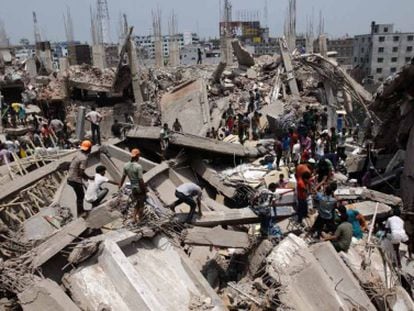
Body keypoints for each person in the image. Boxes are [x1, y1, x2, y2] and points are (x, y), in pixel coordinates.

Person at [119, 149, 147, 222]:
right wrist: (144, 189)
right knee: (142, 204)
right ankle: (139, 219)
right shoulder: (138, 167)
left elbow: (123, 176)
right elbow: (140, 180)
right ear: (137, 156)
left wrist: (120, 185)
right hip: (139, 188)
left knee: (137, 202)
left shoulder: (126, 165)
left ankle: (134, 218)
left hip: (133, 188)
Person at [67, 140, 93, 217]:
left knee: (80, 195)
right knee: (80, 195)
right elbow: (81, 172)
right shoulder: (84, 158)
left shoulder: (78, 154)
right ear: (89, 149)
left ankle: (81, 211)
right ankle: (80, 213)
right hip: (75, 179)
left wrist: (88, 177)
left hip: (70, 177)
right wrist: (85, 180)